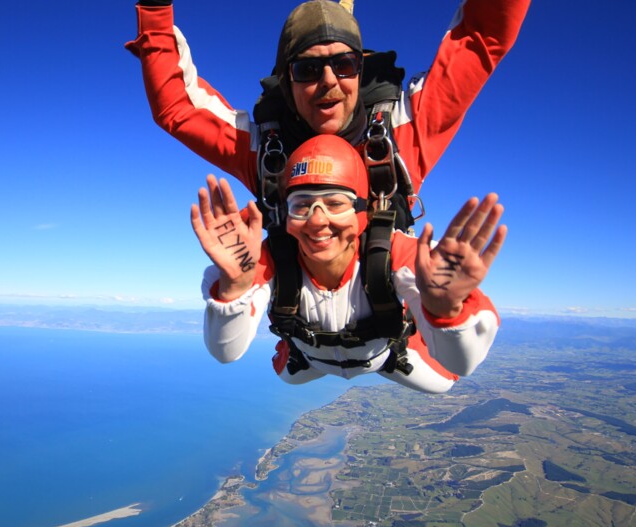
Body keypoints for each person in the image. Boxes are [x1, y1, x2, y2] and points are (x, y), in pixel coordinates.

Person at [127, 0, 530, 221]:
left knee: (443, 375)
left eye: (344, 65)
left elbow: (483, 35)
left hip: (394, 344)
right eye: (307, 68)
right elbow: (176, 108)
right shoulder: (267, 148)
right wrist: (155, 7)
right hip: (300, 340)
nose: (329, 81)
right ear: (286, 82)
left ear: (360, 69)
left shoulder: (404, 128)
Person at [190, 135, 505, 392]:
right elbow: (225, 353)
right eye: (301, 205)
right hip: (308, 359)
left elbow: (461, 365)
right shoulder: (265, 260)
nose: (316, 221)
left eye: (334, 203)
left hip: (388, 357)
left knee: (443, 384)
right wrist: (234, 287)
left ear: (362, 212)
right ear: (286, 214)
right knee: (287, 374)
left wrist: (446, 310)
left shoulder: (402, 255)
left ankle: (421, 324)